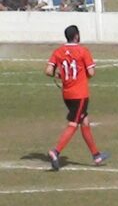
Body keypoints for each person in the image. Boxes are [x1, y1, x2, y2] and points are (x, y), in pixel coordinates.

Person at [45, 25, 109, 170]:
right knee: (74, 124)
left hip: (67, 94)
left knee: (84, 121)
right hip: (80, 94)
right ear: (77, 36)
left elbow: (48, 70)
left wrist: (60, 75)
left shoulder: (59, 51)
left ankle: (96, 155)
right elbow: (91, 72)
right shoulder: (83, 51)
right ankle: (56, 152)